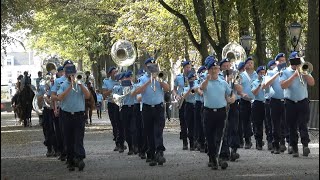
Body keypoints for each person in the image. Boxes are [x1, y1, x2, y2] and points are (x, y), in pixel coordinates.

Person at [133, 57, 170, 166]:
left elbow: (167, 88)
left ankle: (160, 152)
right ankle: (151, 155)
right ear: (146, 67)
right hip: (147, 108)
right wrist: (149, 81)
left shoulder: (160, 77)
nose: (152, 68)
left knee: (158, 131)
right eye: (150, 66)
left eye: (154, 66)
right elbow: (137, 91)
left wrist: (159, 80)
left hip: (158, 107)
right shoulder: (142, 78)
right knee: (149, 132)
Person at [200, 57, 236, 170]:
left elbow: (231, 93)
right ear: (209, 70)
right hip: (208, 112)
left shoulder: (223, 82)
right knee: (210, 137)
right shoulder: (205, 81)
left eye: (216, 68)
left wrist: (232, 99)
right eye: (213, 68)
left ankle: (222, 157)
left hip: (221, 112)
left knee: (221, 136)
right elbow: (202, 88)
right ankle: (212, 158)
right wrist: (207, 79)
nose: (215, 70)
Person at [280, 51, 315, 157]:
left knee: (303, 124)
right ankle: (294, 147)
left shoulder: (304, 69)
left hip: (303, 101)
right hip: (290, 102)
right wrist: (294, 76)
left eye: (298, 61)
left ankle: (305, 146)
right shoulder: (285, 71)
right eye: (295, 61)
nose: (297, 63)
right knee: (291, 125)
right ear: (291, 61)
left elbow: (312, 83)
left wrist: (305, 73)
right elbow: (283, 86)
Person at [57, 63, 91, 171]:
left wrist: (79, 84)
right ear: (66, 74)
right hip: (66, 115)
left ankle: (79, 158)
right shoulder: (62, 85)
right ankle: (70, 160)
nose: (71, 75)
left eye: (73, 73)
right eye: (69, 74)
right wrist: (70, 87)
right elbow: (60, 97)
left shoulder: (81, 83)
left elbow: (88, 96)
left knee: (78, 138)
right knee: (68, 138)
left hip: (79, 115)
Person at [264, 53, 290, 154]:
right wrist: (277, 74)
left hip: (286, 100)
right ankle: (276, 145)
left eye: (284, 60)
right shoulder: (270, 72)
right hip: (275, 101)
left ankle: (284, 144)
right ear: (276, 62)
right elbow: (266, 84)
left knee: (286, 124)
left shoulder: (288, 71)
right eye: (280, 61)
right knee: (275, 124)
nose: (282, 62)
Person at [239, 57, 258, 149]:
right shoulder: (241, 75)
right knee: (245, 121)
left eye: (251, 63)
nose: (250, 64)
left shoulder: (257, 75)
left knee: (256, 121)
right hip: (244, 101)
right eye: (248, 63)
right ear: (245, 65)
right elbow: (237, 87)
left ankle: (258, 141)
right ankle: (247, 140)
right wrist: (242, 94)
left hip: (256, 100)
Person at [102, 66, 122, 151]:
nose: (116, 73)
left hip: (120, 104)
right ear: (110, 74)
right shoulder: (106, 81)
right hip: (112, 104)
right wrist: (112, 89)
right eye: (114, 72)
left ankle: (122, 142)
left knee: (121, 123)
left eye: (116, 72)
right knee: (115, 124)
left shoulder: (121, 79)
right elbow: (104, 94)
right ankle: (117, 143)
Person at [173, 60, 192, 148]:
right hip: (182, 100)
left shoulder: (193, 76)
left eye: (189, 67)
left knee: (190, 121)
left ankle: (192, 141)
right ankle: (185, 142)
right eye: (187, 67)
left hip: (190, 99)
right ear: (183, 68)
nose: (188, 69)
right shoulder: (178, 77)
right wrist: (176, 95)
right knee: (183, 122)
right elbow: (174, 89)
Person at [251, 66, 267, 150]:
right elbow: (254, 93)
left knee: (268, 124)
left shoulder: (267, 81)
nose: (262, 74)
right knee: (258, 124)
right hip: (257, 104)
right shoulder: (255, 82)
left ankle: (271, 142)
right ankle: (259, 142)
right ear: (257, 74)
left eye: (264, 72)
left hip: (266, 103)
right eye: (261, 73)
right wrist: (260, 84)